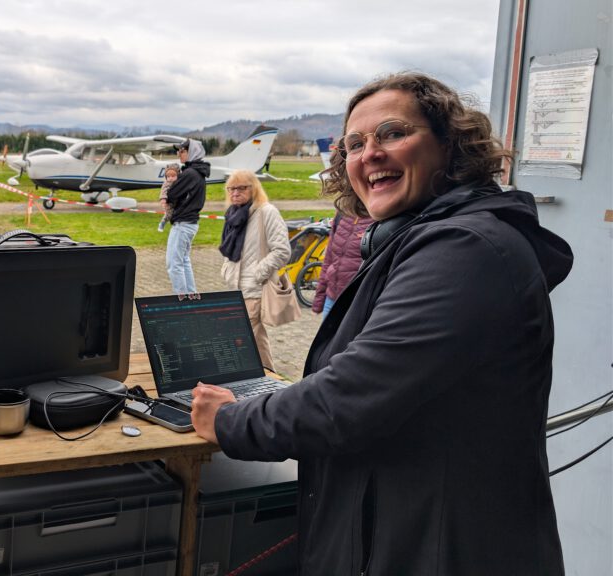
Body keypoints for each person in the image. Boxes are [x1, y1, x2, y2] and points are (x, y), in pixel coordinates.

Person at [191, 72, 570, 575]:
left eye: (393, 133)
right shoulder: (418, 240)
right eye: (354, 143)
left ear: (450, 147)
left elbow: (348, 397)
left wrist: (229, 419)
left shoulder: (465, 250)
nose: (369, 153)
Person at [218, 170, 291, 370]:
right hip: (236, 287)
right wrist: (226, 269)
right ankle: (260, 375)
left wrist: (260, 273)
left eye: (241, 188)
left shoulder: (266, 212)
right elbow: (230, 249)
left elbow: (282, 250)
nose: (235, 192)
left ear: (254, 188)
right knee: (250, 338)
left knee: (250, 337)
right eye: (231, 188)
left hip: (254, 288)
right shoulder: (233, 214)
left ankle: (267, 375)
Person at [164, 139, 209, 295]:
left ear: (192, 152)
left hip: (183, 223)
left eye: (182, 151)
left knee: (173, 264)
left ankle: (181, 300)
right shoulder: (198, 172)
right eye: (179, 151)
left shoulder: (189, 173)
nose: (179, 154)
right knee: (183, 261)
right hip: (191, 222)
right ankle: (191, 295)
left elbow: (171, 193)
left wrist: (171, 196)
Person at [311, 212, 374, 317]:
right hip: (331, 299)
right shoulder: (342, 213)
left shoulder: (381, 218)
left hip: (357, 303)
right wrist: (319, 299)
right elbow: (328, 259)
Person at [157, 163, 179, 232]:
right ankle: (162, 223)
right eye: (168, 176)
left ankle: (174, 224)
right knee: (168, 215)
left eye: (173, 176)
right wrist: (163, 200)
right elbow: (163, 191)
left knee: (176, 214)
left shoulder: (180, 182)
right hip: (168, 203)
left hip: (177, 202)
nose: (170, 178)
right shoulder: (166, 183)